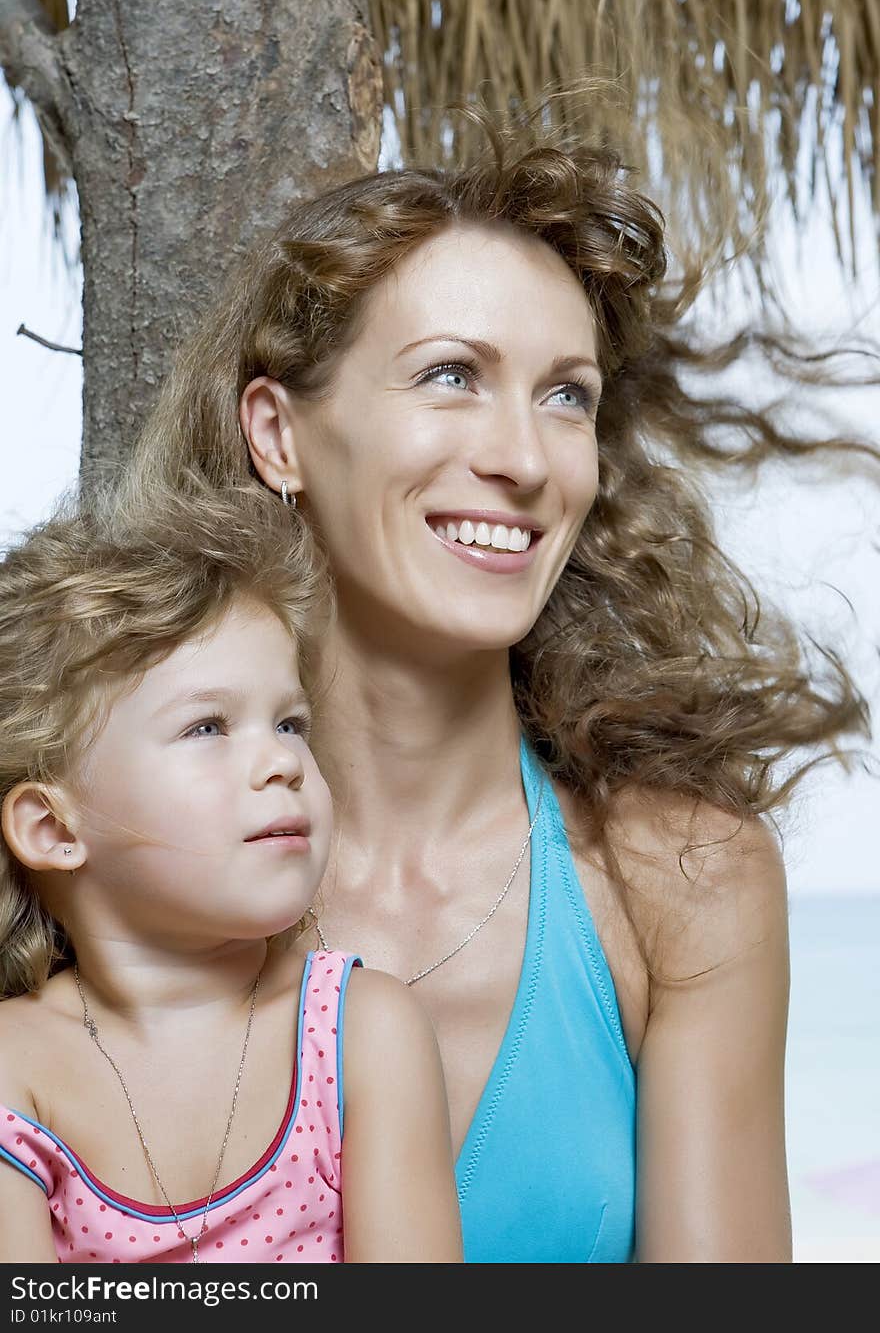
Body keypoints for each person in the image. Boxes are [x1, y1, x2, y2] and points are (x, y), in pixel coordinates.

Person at [113, 95, 875, 1263]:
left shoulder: (676, 884)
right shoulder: (115, 863)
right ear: (278, 435)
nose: (522, 459)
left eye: (564, 393)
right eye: (451, 376)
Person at [0, 484, 463, 1265]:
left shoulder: (359, 1033)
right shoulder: (16, 1068)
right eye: (207, 726)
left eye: (290, 723)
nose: (283, 761)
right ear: (53, 829)